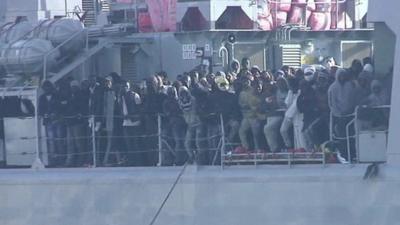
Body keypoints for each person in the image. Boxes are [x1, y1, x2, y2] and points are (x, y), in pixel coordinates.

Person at [38, 80, 62, 167]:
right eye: (45, 87)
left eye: (48, 87)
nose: (47, 89)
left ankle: (61, 159)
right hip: (48, 122)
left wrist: (55, 113)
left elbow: (61, 107)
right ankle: (52, 160)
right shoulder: (41, 98)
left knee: (59, 140)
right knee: (51, 141)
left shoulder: (57, 96)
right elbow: (40, 110)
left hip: (57, 121)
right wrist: (45, 114)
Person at [65, 80, 89, 167]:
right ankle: (70, 161)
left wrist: (79, 114)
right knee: (70, 143)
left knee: (79, 143)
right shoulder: (68, 96)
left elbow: (83, 107)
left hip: (78, 123)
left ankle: (81, 160)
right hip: (69, 122)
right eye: (72, 87)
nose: (73, 88)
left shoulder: (81, 96)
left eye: (74, 86)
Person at [121, 81, 144, 166]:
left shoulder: (135, 95)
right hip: (125, 123)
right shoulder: (120, 96)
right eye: (123, 86)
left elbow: (139, 109)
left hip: (134, 123)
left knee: (136, 143)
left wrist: (131, 116)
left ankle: (139, 162)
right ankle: (131, 162)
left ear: (129, 87)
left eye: (126, 86)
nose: (124, 88)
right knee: (128, 144)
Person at [162, 86, 187, 166]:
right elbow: (168, 113)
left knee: (180, 142)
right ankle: (178, 159)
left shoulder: (178, 101)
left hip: (180, 124)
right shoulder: (168, 102)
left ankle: (180, 159)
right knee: (178, 142)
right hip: (175, 124)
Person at [238, 79, 264, 152]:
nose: (258, 88)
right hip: (247, 116)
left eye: (259, 87)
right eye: (256, 87)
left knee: (256, 134)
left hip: (256, 117)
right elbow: (241, 104)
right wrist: (244, 106)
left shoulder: (261, 95)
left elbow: (260, 107)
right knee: (241, 131)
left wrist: (252, 107)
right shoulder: (244, 94)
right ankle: (246, 148)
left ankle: (258, 150)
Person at [263, 76, 287, 153]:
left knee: (267, 128)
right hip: (277, 114)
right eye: (278, 83)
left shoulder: (289, 92)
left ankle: (279, 148)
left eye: (282, 83)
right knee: (269, 126)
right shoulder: (277, 92)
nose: (280, 85)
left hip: (285, 115)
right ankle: (274, 149)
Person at [179, 86, 202, 164]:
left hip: (198, 123)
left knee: (198, 142)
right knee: (187, 143)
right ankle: (191, 157)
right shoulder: (180, 102)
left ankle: (200, 159)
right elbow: (184, 109)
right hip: (189, 125)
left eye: (184, 92)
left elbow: (193, 108)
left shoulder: (193, 99)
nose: (183, 94)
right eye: (182, 93)